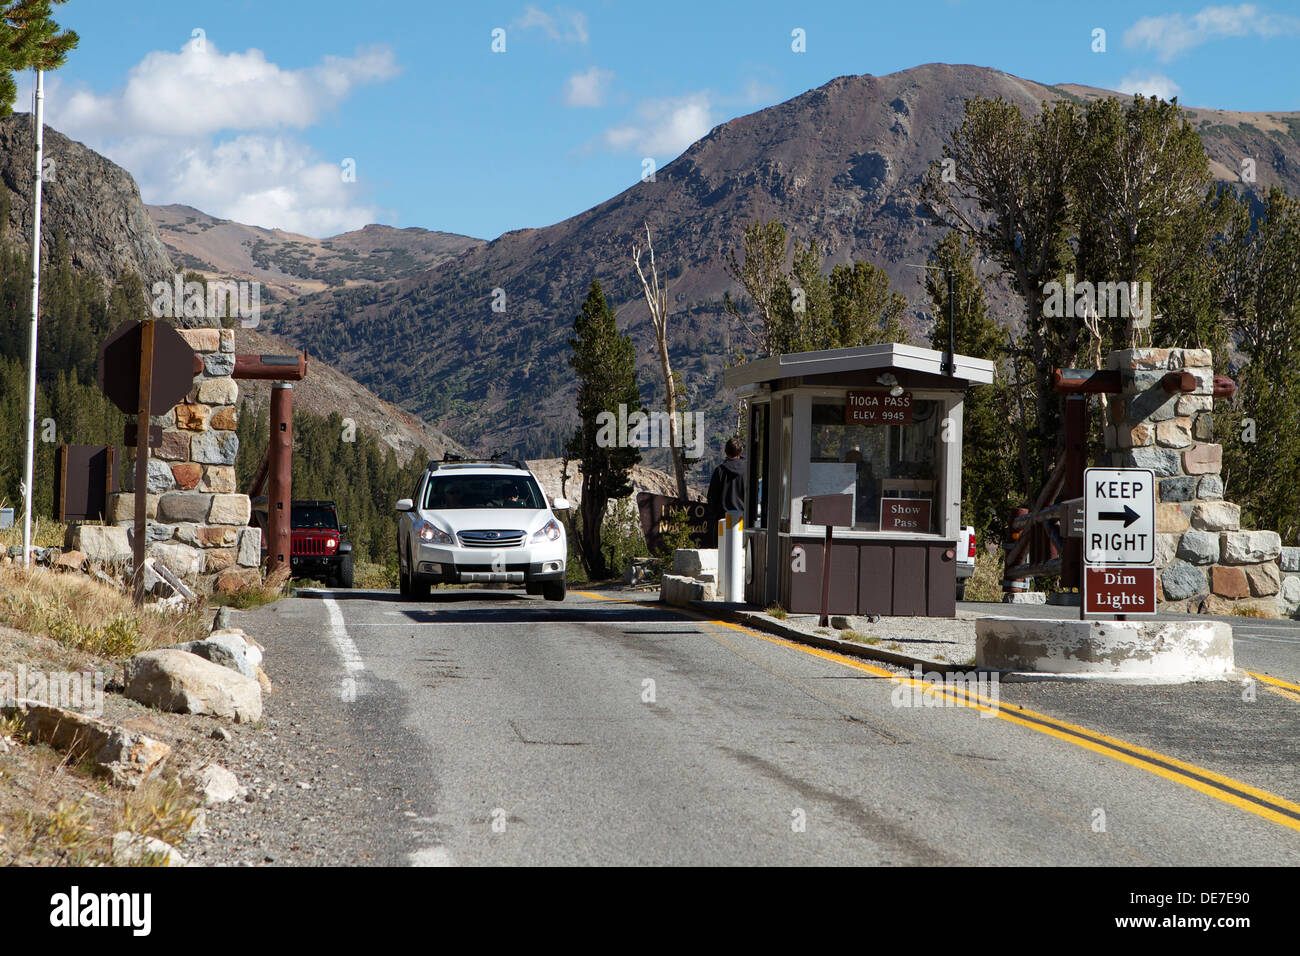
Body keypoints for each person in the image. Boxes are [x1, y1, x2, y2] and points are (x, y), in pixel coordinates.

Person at [707, 437, 746, 545]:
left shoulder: (720, 471)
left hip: (723, 521)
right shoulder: (747, 471)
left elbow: (712, 498)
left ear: (725, 451)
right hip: (742, 522)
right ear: (740, 451)